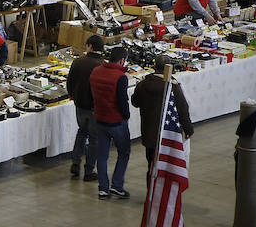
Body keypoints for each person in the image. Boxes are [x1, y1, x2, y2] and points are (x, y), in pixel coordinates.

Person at [131, 55, 194, 186]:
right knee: (167, 167)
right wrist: (188, 129)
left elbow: (135, 102)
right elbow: (183, 109)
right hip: (168, 135)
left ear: (154, 67)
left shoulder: (143, 84)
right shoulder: (173, 86)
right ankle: (162, 193)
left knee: (151, 165)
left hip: (149, 134)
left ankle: (151, 191)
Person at [90, 47, 132, 200]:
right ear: (122, 60)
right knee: (124, 153)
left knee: (102, 156)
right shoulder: (120, 77)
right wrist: (126, 116)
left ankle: (103, 188)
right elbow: (122, 101)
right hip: (116, 121)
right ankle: (117, 185)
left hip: (100, 119)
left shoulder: (96, 72)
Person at [67, 35, 104, 182]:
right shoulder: (102, 65)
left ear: (90, 46)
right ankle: (89, 171)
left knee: (82, 132)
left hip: (80, 106)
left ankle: (75, 163)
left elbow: (70, 82)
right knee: (94, 139)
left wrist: (73, 96)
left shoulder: (78, 62)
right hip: (95, 108)